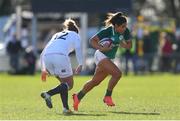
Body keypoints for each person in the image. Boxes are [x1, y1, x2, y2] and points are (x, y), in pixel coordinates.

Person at [73, 12, 132, 111]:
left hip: (109, 58)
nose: (125, 28)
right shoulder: (108, 31)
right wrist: (102, 48)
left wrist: (123, 44)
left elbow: (130, 46)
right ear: (116, 26)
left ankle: (77, 97)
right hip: (101, 55)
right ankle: (107, 96)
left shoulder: (125, 32)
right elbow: (92, 40)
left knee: (95, 81)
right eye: (122, 26)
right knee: (117, 74)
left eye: (125, 26)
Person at [40, 18, 83, 115]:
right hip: (59, 56)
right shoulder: (75, 35)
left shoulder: (57, 35)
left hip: (47, 57)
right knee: (69, 85)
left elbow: (42, 53)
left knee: (64, 85)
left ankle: (65, 109)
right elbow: (78, 49)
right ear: (76, 31)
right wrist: (80, 64)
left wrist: (43, 69)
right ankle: (48, 94)